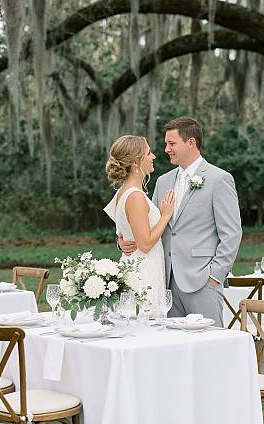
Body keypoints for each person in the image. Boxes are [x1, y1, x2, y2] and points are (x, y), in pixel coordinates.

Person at [119, 116, 242, 327]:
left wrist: (214, 277)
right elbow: (149, 224)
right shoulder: (163, 181)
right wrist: (124, 240)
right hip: (165, 282)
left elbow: (231, 233)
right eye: (166, 143)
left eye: (172, 143)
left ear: (191, 142)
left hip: (202, 281)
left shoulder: (219, 179)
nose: (166, 149)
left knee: (209, 346)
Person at [103, 135, 175, 314]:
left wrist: (121, 240)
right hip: (143, 272)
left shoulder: (123, 192)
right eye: (148, 153)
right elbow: (145, 243)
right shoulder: (135, 196)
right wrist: (165, 215)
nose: (154, 157)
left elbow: (124, 230)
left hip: (135, 265)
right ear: (136, 162)